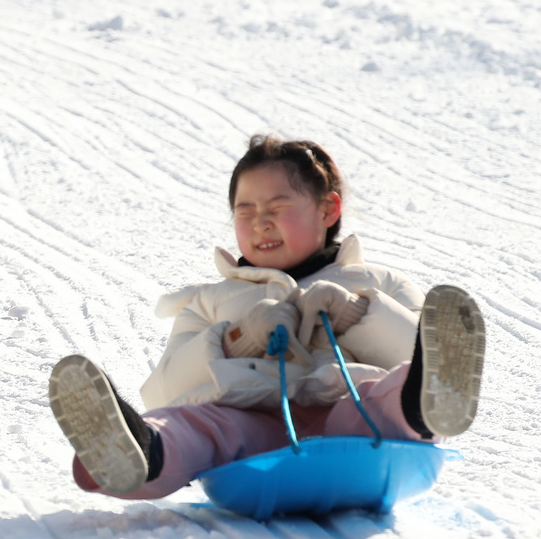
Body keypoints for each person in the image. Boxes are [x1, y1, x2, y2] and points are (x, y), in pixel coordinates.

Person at [47, 134, 487, 498]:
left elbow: (413, 349)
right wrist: (238, 339)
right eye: (246, 211)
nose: (260, 223)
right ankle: (136, 454)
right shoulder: (210, 300)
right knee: (197, 425)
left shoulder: (378, 282)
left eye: (277, 209)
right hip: (252, 423)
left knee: (391, 389)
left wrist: (359, 314)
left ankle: (423, 408)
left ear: (328, 210)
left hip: (355, 419)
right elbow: (167, 388)